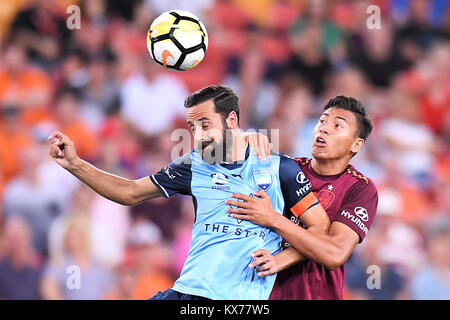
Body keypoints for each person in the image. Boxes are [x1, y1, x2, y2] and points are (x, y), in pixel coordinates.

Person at [48, 85, 330, 300]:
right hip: (187, 292)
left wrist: (282, 258)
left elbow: (320, 228)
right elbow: (130, 192)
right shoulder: (193, 165)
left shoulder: (281, 168)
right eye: (192, 127)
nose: (198, 135)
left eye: (205, 125)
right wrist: (75, 164)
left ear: (231, 120)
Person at [227, 95, 378, 299]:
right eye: (322, 121)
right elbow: (216, 167)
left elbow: (334, 253)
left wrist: (274, 221)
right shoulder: (283, 169)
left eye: (338, 126)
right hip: (258, 292)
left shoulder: (359, 188)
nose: (324, 128)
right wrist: (243, 146)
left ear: (356, 145)